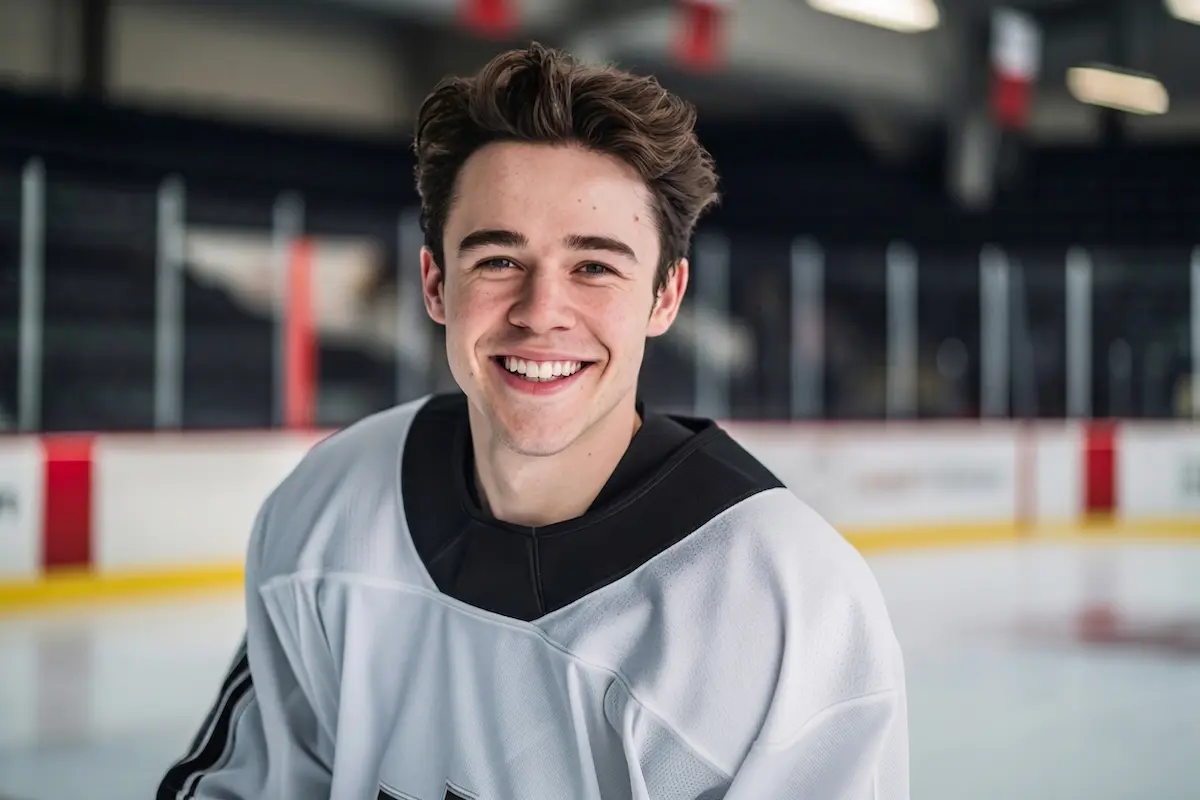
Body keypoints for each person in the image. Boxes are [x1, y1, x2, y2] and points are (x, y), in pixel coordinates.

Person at [157, 43, 908, 800]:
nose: (541, 312)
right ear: (436, 284)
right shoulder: (331, 508)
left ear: (665, 297)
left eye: (594, 266)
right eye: (498, 261)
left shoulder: (787, 605)